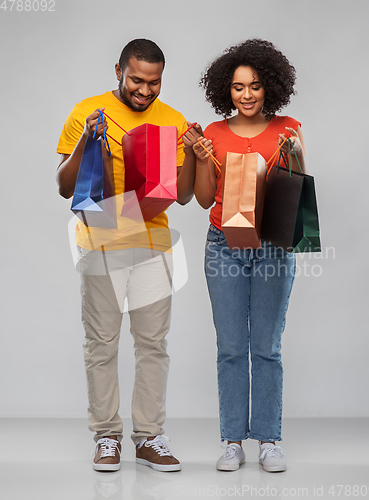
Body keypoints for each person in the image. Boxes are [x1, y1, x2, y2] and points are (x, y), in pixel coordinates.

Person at [56, 38, 200, 472]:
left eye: (154, 82)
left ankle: (150, 437)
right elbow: (65, 186)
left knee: (153, 345)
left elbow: (186, 195)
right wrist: (86, 139)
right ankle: (106, 437)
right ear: (118, 69)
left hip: (153, 244)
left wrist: (192, 153)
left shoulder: (171, 120)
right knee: (101, 343)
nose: (145, 90)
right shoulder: (87, 110)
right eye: (137, 79)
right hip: (99, 244)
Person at [187, 39, 306, 472]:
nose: (247, 94)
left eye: (255, 85)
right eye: (238, 87)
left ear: (270, 86)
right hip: (224, 243)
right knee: (232, 347)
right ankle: (232, 440)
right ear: (226, 90)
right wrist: (200, 158)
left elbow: (295, 192)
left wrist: (294, 154)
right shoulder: (215, 134)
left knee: (267, 347)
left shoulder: (288, 126)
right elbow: (203, 199)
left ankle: (269, 440)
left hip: (273, 243)